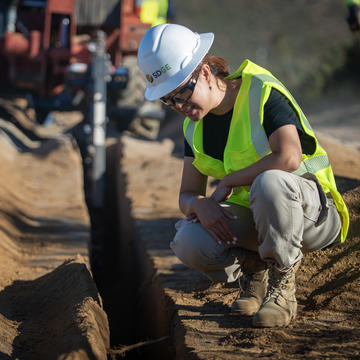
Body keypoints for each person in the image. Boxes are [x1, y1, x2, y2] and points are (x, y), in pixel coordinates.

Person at [137, 24, 349, 328]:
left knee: (270, 182)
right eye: (168, 100)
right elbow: (186, 194)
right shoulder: (193, 127)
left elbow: (288, 157)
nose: (179, 106)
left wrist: (228, 182)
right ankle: (255, 271)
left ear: (206, 72)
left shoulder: (261, 92)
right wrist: (200, 205)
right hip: (261, 218)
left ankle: (283, 286)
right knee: (189, 239)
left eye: (182, 92)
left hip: (313, 216)